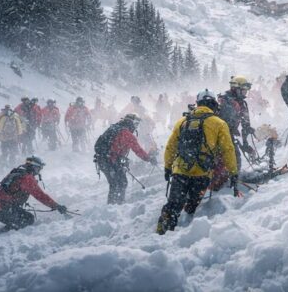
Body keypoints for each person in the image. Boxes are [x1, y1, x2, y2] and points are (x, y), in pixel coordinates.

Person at [157, 90, 238, 235]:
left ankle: (163, 230)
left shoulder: (182, 121)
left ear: (198, 103)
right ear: (214, 104)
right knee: (193, 203)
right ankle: (188, 221)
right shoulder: (219, 123)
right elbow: (228, 149)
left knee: (173, 203)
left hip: (180, 170)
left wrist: (168, 167)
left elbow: (170, 146)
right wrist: (233, 172)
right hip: (202, 172)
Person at [0, 156, 68, 230]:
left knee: (28, 218)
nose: (39, 172)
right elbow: (40, 196)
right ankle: (6, 235)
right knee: (27, 220)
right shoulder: (27, 178)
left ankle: (9, 228)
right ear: (34, 167)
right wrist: (57, 206)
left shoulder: (17, 171)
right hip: (3, 209)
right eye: (39, 169)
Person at [94, 114, 156, 205]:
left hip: (103, 160)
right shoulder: (127, 134)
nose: (136, 127)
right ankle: (116, 204)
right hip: (110, 161)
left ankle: (114, 204)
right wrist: (149, 158)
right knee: (119, 183)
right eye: (136, 124)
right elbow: (137, 150)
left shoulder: (114, 128)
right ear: (131, 123)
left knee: (116, 183)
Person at [217, 76, 255, 170]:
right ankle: (231, 177)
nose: (246, 92)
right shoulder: (225, 100)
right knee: (233, 156)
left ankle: (231, 175)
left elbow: (245, 124)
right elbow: (225, 123)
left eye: (246, 89)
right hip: (220, 135)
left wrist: (245, 144)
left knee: (235, 156)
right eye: (244, 89)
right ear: (236, 89)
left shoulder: (242, 103)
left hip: (229, 134)